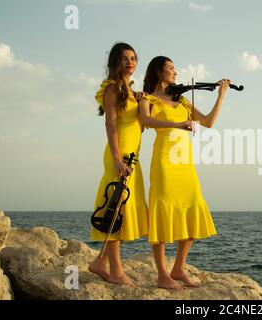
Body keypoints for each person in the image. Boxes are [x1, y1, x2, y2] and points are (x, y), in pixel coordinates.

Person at [139, 56, 230, 290]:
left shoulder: (182, 102)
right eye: (170, 68)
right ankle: (162, 274)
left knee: (193, 207)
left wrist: (221, 95)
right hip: (164, 160)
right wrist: (179, 125)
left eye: (175, 69)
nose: (175, 72)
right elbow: (146, 120)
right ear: (158, 72)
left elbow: (208, 123)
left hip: (184, 163)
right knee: (162, 213)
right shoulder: (148, 99)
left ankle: (178, 267)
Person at [88, 42, 149, 287]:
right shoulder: (113, 89)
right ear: (114, 62)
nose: (130, 62)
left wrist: (142, 102)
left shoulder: (132, 92)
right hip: (119, 154)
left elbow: (140, 127)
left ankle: (101, 262)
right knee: (115, 208)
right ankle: (114, 270)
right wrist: (116, 158)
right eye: (124, 58)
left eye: (133, 58)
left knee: (121, 209)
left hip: (133, 155)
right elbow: (111, 125)